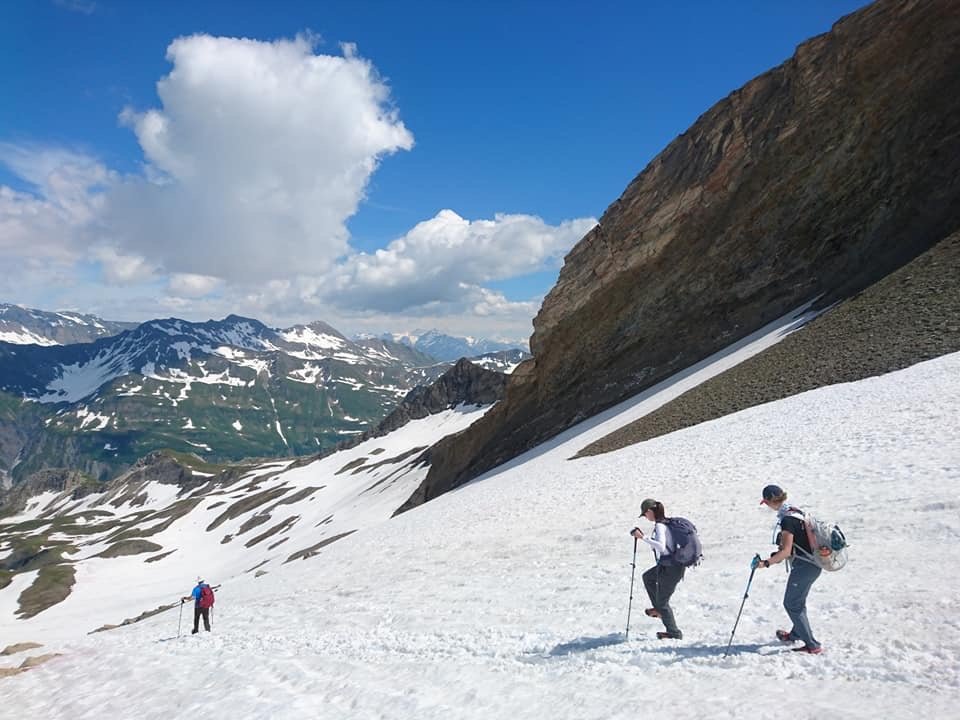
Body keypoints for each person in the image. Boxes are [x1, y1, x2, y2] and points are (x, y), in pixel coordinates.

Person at [757, 484, 823, 654]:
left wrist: (766, 563)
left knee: (792, 603)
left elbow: (786, 551)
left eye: (766, 502)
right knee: (798, 601)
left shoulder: (787, 520)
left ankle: (812, 645)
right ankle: (795, 633)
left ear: (771, 501)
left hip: (805, 566)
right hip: (814, 563)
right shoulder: (796, 512)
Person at [631, 498, 684, 640]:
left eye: (645, 514)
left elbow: (661, 546)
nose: (645, 517)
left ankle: (674, 633)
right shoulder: (665, 524)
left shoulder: (660, 526)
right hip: (667, 565)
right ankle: (659, 609)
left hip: (672, 568)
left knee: (662, 601)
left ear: (649, 511)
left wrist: (643, 537)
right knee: (648, 577)